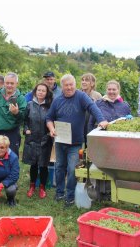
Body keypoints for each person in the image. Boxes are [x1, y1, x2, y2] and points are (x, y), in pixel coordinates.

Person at [46, 74, 108, 207]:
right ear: (62, 86)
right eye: (66, 85)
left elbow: (92, 107)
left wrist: (101, 119)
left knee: (73, 169)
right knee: (59, 167)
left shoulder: (81, 96)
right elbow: (49, 118)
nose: (69, 87)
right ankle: (59, 192)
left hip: (75, 142)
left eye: (71, 85)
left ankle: (69, 196)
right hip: (60, 141)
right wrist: (51, 129)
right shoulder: (57, 100)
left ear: (75, 84)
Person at [0, 72, 27, 157]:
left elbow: (24, 117)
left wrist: (16, 113)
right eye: (7, 83)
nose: (9, 85)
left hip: (12, 132)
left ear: (16, 84)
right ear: (4, 83)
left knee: (11, 157)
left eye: (12, 83)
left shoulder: (21, 98)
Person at [22, 83, 53, 199]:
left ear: (46, 93)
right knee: (33, 164)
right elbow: (25, 121)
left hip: (45, 140)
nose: (40, 92)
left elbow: (53, 121)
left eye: (43, 91)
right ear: (35, 92)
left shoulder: (50, 107)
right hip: (32, 139)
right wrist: (26, 130)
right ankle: (32, 186)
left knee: (43, 165)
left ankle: (42, 187)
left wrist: (50, 133)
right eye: (38, 90)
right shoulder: (29, 105)